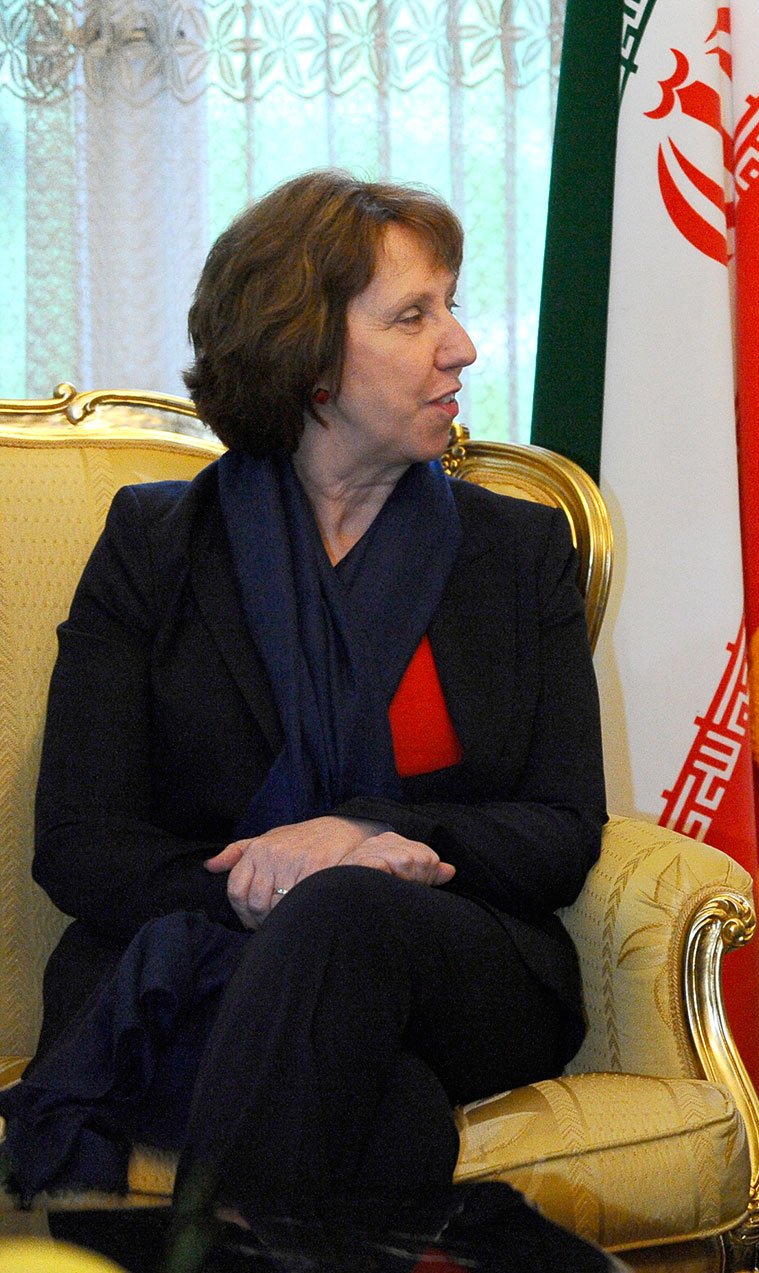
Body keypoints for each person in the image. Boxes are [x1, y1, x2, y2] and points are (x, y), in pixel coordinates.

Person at [0, 170, 606, 1221]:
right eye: (413, 315)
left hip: (460, 965)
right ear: (309, 354)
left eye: (449, 306)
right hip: (184, 959)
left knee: (347, 907)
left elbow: (561, 829)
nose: (459, 345)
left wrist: (363, 833)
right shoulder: (156, 548)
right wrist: (261, 885)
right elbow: (81, 842)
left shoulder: (515, 550)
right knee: (390, 1117)